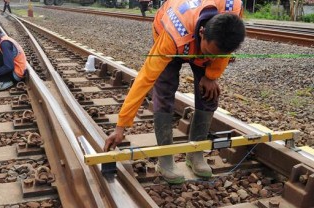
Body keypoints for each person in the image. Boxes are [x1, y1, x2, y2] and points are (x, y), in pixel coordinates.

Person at [104, 0, 246, 184]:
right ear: (202, 33)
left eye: (217, 56)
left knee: (209, 94)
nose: (210, 59)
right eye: (208, 53)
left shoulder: (232, 11)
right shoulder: (172, 37)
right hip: (169, 33)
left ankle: (195, 154)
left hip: (194, 37)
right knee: (163, 93)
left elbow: (219, 53)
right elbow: (144, 80)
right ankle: (165, 159)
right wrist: (121, 126)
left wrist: (211, 75)